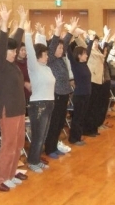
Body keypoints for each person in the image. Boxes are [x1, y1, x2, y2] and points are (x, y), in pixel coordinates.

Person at [0, 4, 28, 191]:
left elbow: (16, 40)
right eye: (12, 51)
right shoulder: (1, 66)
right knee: (9, 145)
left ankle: (12, 172)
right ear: (2, 52)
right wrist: (5, 23)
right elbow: (6, 41)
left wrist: (22, 22)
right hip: (8, 111)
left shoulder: (13, 65)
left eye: (15, 51)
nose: (15, 53)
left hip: (19, 110)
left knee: (19, 143)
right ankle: (1, 178)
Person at [24, 20, 55, 172]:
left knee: (43, 135)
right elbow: (31, 51)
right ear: (39, 56)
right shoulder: (34, 67)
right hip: (39, 105)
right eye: (45, 54)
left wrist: (41, 34)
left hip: (49, 104)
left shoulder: (46, 68)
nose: (47, 56)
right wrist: (28, 33)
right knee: (38, 135)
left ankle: (36, 159)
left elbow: (40, 48)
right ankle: (32, 161)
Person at [45, 13, 73, 158]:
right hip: (55, 95)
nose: (61, 50)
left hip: (64, 94)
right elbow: (54, 45)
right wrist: (57, 29)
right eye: (59, 48)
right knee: (54, 122)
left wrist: (71, 32)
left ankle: (55, 145)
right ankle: (49, 148)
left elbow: (65, 43)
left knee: (61, 122)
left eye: (62, 49)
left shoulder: (61, 59)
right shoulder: (51, 60)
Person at [65, 18, 91, 146]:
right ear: (79, 55)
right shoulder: (75, 64)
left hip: (86, 94)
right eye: (84, 54)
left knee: (82, 117)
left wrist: (89, 39)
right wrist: (71, 33)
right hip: (79, 95)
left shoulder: (84, 63)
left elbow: (90, 49)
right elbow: (68, 51)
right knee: (77, 117)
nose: (86, 55)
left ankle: (79, 137)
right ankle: (73, 139)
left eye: (86, 54)